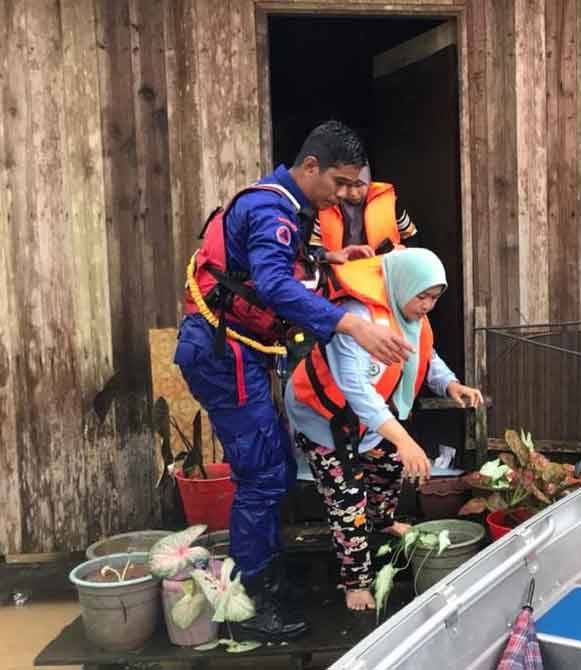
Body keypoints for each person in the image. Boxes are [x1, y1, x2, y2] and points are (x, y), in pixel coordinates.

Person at [174, 120, 415, 642]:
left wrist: (329, 257)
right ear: (311, 167)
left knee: (274, 471)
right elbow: (275, 284)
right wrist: (346, 322)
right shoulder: (271, 209)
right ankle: (251, 604)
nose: (344, 196)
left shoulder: (283, 206)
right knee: (263, 476)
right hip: (223, 354)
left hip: (236, 351)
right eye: (339, 183)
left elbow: (268, 264)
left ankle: (267, 577)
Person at [285, 248, 483, 611]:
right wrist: (404, 439)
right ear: (400, 284)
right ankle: (355, 581)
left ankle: (383, 521)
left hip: (365, 419)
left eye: (434, 298)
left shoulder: (410, 318)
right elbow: (355, 387)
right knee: (347, 499)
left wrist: (450, 385)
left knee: (391, 465)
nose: (427, 305)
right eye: (421, 295)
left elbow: (425, 354)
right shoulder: (357, 317)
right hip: (322, 418)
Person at [313, 164, 417, 255]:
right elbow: (313, 247)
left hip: (382, 271)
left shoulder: (391, 203)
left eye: (359, 185)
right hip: (338, 272)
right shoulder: (326, 204)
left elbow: (411, 237)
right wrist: (328, 256)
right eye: (348, 185)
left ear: (368, 182)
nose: (353, 193)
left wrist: (404, 250)